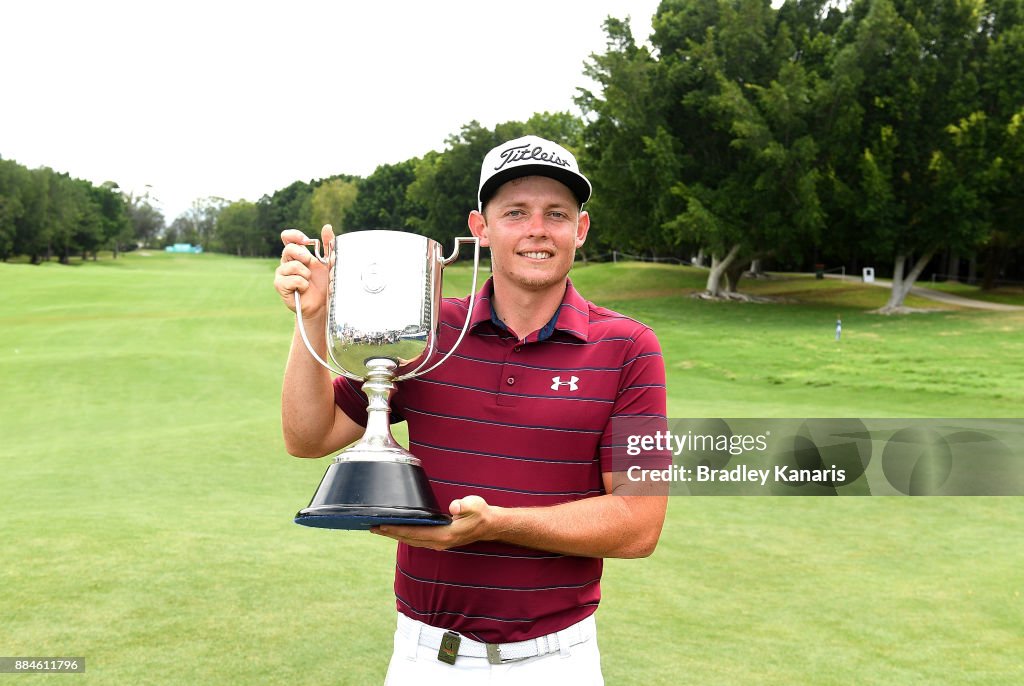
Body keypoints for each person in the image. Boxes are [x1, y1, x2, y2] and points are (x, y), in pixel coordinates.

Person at [273, 135, 669, 685]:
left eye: (556, 213)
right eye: (515, 212)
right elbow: (308, 436)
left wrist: (496, 526)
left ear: (580, 228)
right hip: (424, 660)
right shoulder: (428, 334)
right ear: (480, 228)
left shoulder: (629, 346)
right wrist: (312, 317)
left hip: (557, 664)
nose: (537, 229)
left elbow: (639, 523)